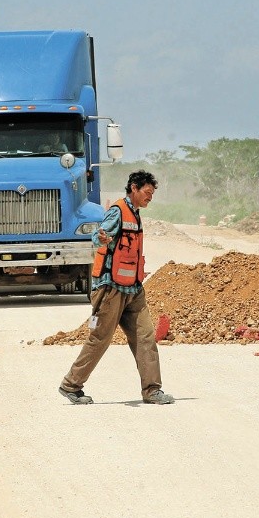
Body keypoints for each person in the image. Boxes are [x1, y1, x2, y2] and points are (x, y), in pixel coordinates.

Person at [58, 170, 174, 405]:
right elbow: (96, 237)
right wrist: (100, 238)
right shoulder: (118, 211)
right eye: (147, 192)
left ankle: (152, 390)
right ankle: (71, 385)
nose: (150, 197)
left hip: (133, 289)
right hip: (110, 288)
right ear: (134, 188)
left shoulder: (136, 214)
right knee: (100, 338)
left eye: (152, 194)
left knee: (145, 337)